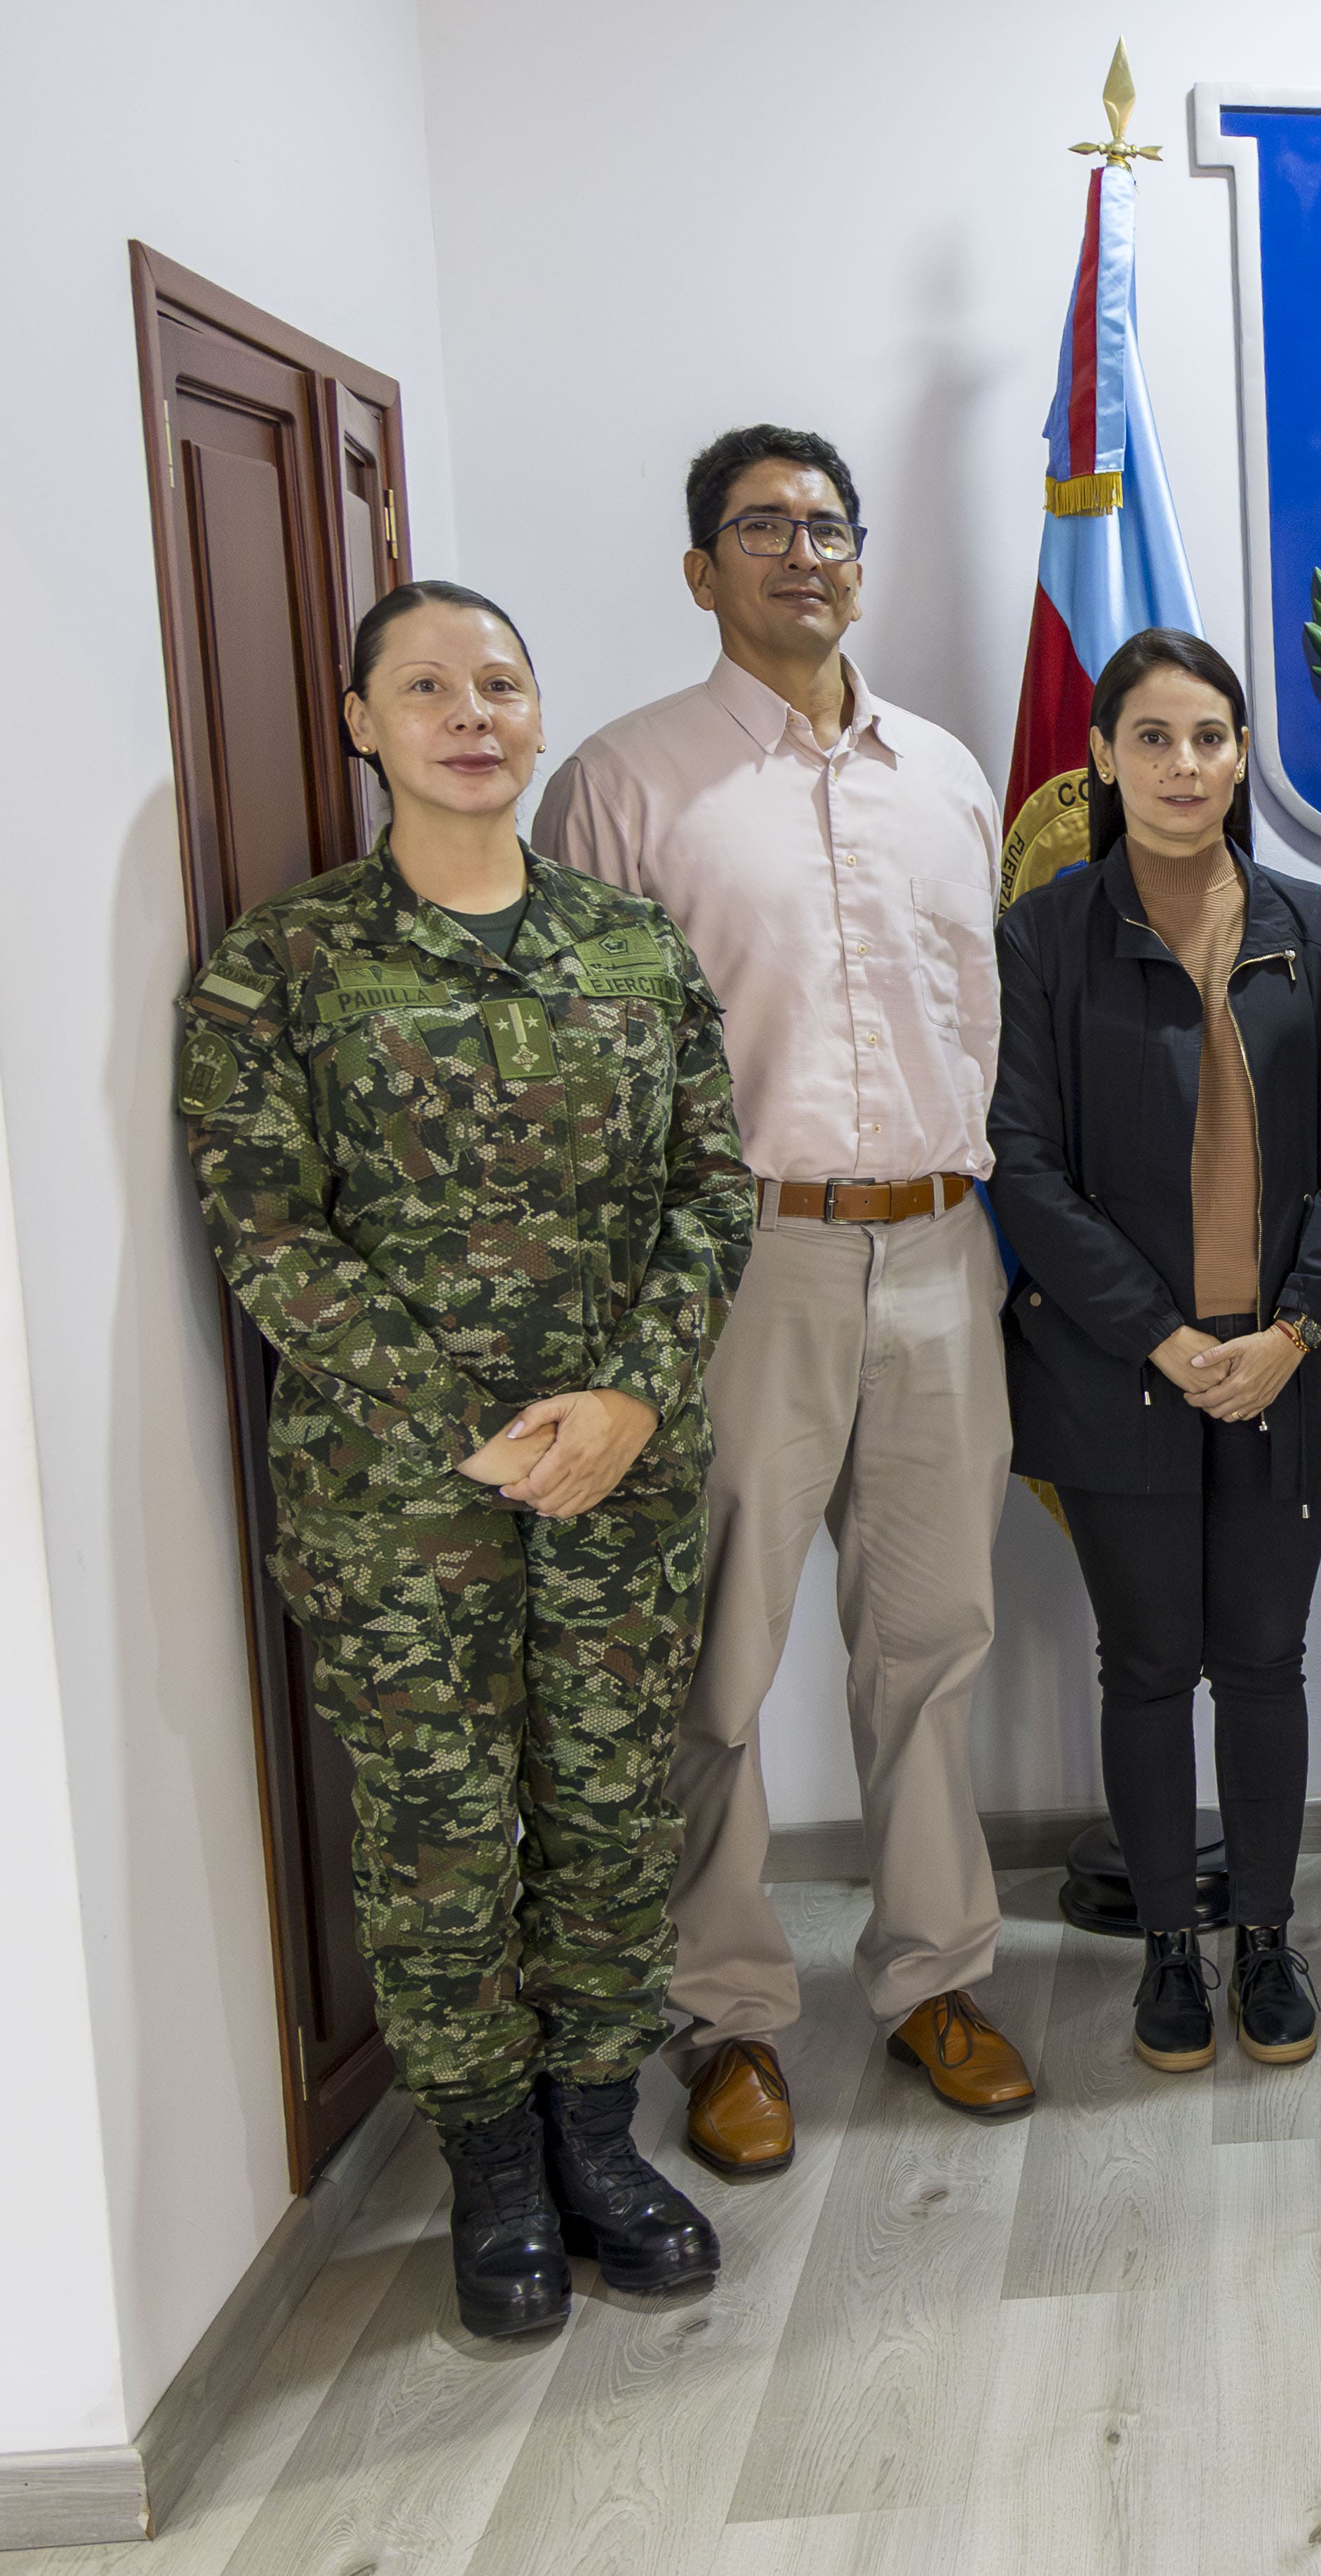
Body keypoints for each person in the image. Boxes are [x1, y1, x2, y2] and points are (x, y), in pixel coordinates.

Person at [178, 582, 755, 2340]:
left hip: (623, 1485)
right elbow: (269, 1237)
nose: (469, 714)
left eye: (498, 682)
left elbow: (710, 1189)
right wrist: (476, 1426)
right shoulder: (282, 966)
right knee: (435, 1843)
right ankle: (490, 2174)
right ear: (361, 722)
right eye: (423, 686)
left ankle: (597, 2135)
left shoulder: (631, 945)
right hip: (403, 1509)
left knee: (606, 1818)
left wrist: (635, 1399)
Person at [535, 423, 1033, 2174]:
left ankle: (929, 1980)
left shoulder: (951, 777)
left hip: (939, 1251)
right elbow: (579, 1067)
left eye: (828, 525)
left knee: (931, 1642)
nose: (801, 553)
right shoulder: (624, 782)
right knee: (718, 1659)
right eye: (760, 527)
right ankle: (728, 2018)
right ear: (699, 571)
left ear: (860, 557)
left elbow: (982, 1025)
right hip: (740, 1264)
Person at [990, 629, 1321, 2072]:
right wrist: (1164, 1337)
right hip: (1121, 1371)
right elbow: (1023, 1169)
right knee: (1149, 1663)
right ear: (1099, 757)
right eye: (1152, 738)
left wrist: (1293, 1331)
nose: (1185, 766)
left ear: (1243, 758)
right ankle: (1169, 1945)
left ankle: (1266, 1934)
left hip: (1288, 1370)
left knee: (1265, 1660)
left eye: (1212, 738)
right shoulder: (1044, 939)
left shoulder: (1319, 926)